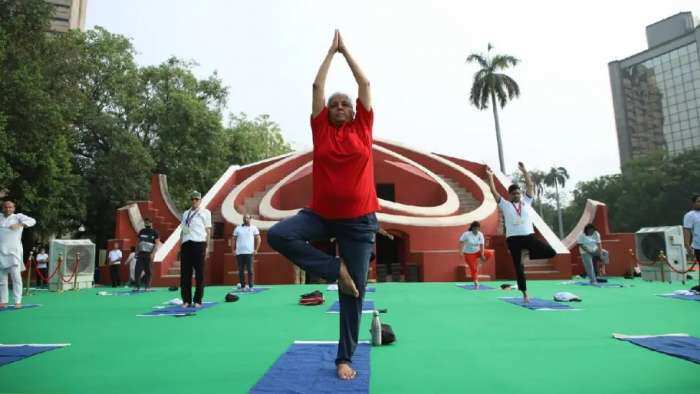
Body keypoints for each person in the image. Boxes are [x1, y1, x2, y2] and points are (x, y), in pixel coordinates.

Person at [267, 30, 379, 380]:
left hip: (359, 222)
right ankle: (334, 269)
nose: (340, 107)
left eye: (345, 103)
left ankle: (344, 358)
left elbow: (366, 83)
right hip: (321, 216)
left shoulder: (363, 126)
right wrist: (330, 53)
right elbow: (317, 89)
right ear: (326, 113)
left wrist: (347, 51)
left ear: (354, 110)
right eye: (335, 104)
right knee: (279, 235)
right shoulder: (322, 130)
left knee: (354, 294)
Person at [486, 162, 556, 303]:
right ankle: (524, 294)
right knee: (518, 268)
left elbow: (530, 186)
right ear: (510, 195)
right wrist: (490, 177)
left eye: (518, 193)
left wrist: (524, 171)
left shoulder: (526, 202)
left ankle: (527, 254)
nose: (517, 195)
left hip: (528, 237)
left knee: (551, 252)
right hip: (513, 239)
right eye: (514, 193)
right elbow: (494, 192)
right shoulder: (505, 205)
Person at [0, 200, 36, 308]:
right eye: (6, 207)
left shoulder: (18, 217)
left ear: (14, 208)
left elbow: (32, 221)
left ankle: (17, 301)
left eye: (10, 207)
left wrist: (20, 224)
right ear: (3, 208)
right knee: (1, 280)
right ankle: (3, 301)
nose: (8, 209)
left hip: (14, 252)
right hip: (0, 251)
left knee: (16, 278)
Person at [179, 191, 212, 308]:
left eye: (196, 199)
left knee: (199, 274)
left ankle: (197, 300)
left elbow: (208, 231)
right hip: (186, 244)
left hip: (199, 243)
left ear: (200, 200)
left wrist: (207, 247)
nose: (194, 201)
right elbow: (183, 230)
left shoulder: (205, 212)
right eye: (192, 199)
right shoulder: (185, 213)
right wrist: (180, 244)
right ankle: (186, 300)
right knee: (185, 274)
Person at [459, 221, 494, 288]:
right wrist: (460, 252)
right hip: (468, 253)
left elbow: (482, 245)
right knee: (473, 268)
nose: (476, 230)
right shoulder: (466, 234)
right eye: (475, 228)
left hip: (477, 251)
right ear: (472, 228)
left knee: (490, 253)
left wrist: (482, 255)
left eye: (477, 228)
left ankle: (479, 264)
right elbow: (461, 242)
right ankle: (475, 281)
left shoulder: (480, 234)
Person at [233, 214, 261, 291]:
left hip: (249, 252)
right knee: (240, 270)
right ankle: (243, 286)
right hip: (239, 253)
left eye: (247, 218)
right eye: (244, 218)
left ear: (250, 219)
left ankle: (251, 286)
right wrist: (233, 249)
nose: (246, 219)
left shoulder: (254, 228)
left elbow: (258, 239)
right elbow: (234, 240)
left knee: (250, 270)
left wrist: (256, 249)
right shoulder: (238, 228)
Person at [134, 218, 160, 291]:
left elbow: (157, 243)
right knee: (137, 270)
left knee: (148, 271)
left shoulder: (155, 232)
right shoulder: (142, 231)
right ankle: (137, 286)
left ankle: (147, 287)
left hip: (149, 254)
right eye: (145, 223)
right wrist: (136, 252)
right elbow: (138, 242)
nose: (146, 224)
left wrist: (153, 253)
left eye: (148, 222)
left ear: (151, 223)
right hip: (141, 253)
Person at [683, 194, 700, 286]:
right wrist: (687, 245)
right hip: (698, 245)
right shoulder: (690, 215)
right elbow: (687, 230)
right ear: (693, 203)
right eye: (698, 201)